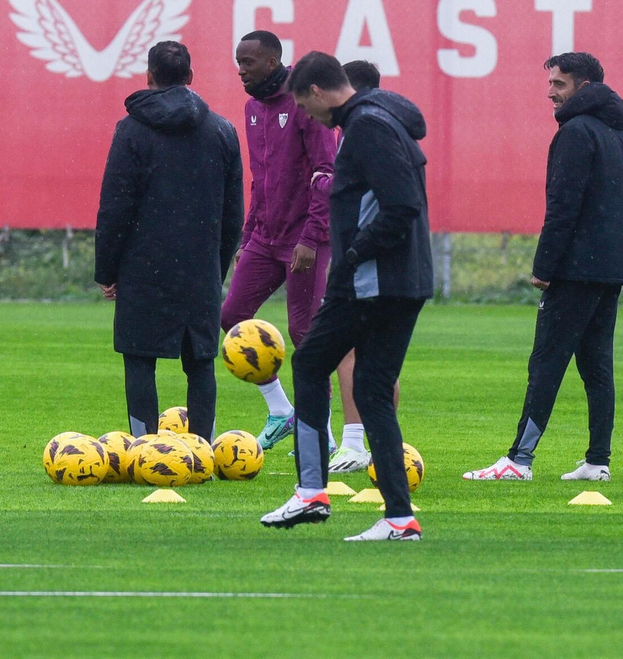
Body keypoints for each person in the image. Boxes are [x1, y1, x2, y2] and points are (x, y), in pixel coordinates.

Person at [258, 52, 433, 542]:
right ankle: (399, 518)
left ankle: (311, 491)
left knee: (310, 363)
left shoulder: (367, 127)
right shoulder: (383, 118)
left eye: (302, 105)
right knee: (372, 389)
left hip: (371, 282)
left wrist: (355, 253)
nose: (306, 117)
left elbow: (401, 204)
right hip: (404, 280)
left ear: (316, 91)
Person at [463, 52, 623, 482]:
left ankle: (519, 460)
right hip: (611, 267)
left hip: (575, 269)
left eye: (559, 84)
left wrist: (544, 266)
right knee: (597, 367)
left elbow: (563, 207)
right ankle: (598, 461)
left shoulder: (576, 132)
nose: (550, 92)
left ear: (583, 86)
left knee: (546, 363)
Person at [96, 41, 243, 441]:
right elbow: (234, 214)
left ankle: (144, 447)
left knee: (139, 359)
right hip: (200, 268)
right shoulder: (223, 131)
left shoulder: (131, 130)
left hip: (143, 267)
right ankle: (203, 450)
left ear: (149, 77)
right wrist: (215, 267)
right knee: (200, 362)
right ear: (190, 77)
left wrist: (107, 269)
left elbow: (115, 206)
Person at [218, 31, 348, 460]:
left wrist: (312, 237)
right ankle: (280, 410)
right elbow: (261, 178)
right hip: (264, 236)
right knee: (232, 317)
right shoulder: (253, 107)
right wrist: (247, 235)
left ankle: (323, 434)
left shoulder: (304, 103)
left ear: (272, 62)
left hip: (304, 240)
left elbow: (326, 172)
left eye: (248, 62)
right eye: (238, 62)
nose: (241, 70)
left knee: (305, 335)